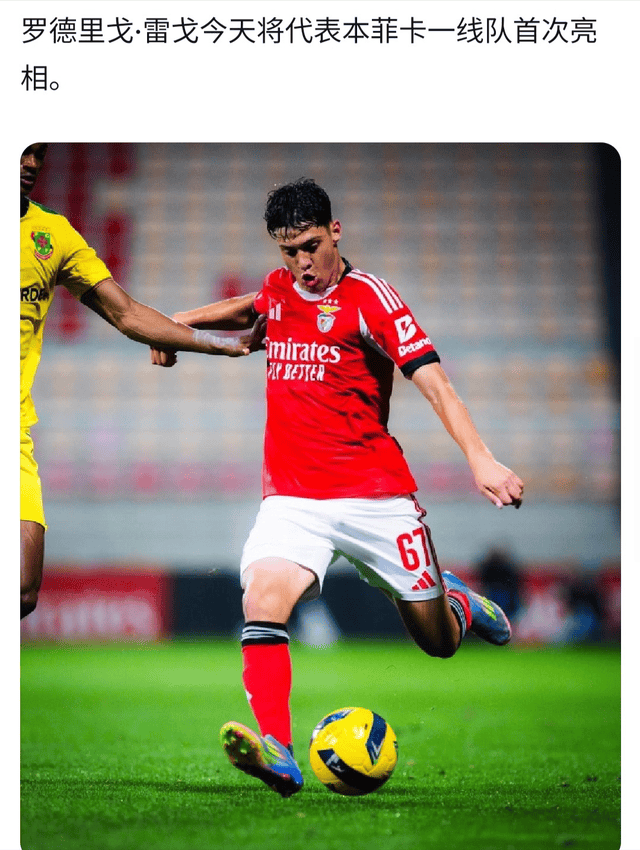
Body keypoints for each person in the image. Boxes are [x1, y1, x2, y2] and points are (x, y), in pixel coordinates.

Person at [153, 178, 524, 798]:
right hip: (293, 499)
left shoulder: (371, 298)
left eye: (311, 246)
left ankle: (458, 602)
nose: (302, 263)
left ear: (336, 232)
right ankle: (278, 749)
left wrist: (480, 459)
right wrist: (178, 323)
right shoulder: (281, 287)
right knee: (263, 599)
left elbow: (433, 381)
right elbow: (254, 307)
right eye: (288, 251)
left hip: (376, 498)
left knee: (437, 644)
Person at [20, 143, 262, 620]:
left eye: (39, 153)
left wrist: (218, 344)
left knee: (23, 589)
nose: (31, 163)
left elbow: (127, 313)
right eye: (22, 151)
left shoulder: (53, 234)